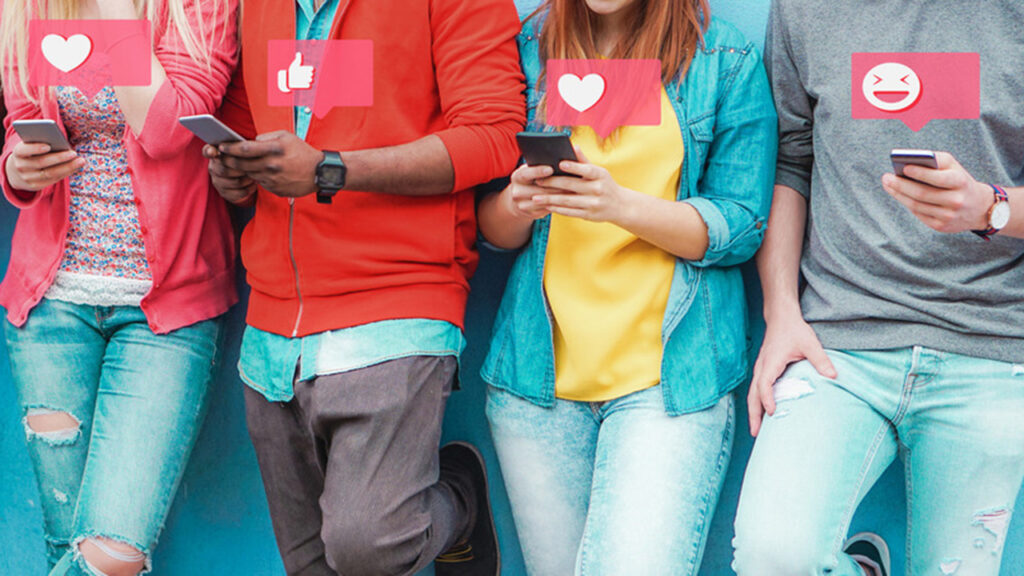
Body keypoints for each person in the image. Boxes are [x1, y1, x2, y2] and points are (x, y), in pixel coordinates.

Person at [203, 0, 526, 574]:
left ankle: (459, 498)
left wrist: (331, 168)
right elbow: (247, 123)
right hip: (273, 329)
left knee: (372, 545)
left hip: (397, 305)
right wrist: (235, 171)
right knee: (311, 565)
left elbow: (494, 135)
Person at [477, 0, 776, 573]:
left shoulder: (724, 57)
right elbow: (488, 228)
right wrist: (517, 204)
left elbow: (740, 225)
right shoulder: (528, 46)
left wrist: (620, 206)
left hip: (668, 382)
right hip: (536, 383)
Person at [733, 2, 1024, 575]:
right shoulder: (804, 9)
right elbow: (791, 162)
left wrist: (990, 208)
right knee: (774, 557)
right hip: (838, 345)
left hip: (989, 347)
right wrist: (782, 314)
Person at [0, 0, 239, 573]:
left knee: (112, 556)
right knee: (66, 546)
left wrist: (110, 7)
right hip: (51, 307)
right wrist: (16, 166)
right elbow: (22, 124)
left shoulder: (196, 8)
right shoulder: (29, 6)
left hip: (167, 314)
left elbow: (163, 129)